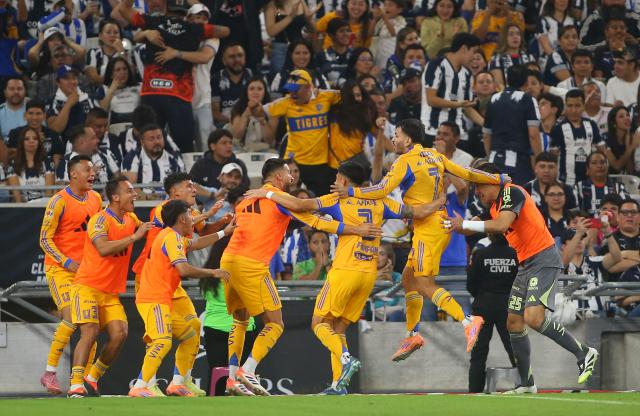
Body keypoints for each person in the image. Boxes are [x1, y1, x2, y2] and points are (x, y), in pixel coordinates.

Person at [245, 161, 444, 394]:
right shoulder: (380, 201)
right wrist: (439, 201)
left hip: (344, 271)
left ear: (345, 182)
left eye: (338, 178)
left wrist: (267, 193)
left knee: (318, 323)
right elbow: (416, 212)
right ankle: (338, 385)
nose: (335, 183)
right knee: (337, 328)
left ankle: (346, 358)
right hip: (368, 275)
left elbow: (300, 204)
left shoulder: (338, 199)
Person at [333, 118, 507, 360]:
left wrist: (351, 191)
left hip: (429, 229)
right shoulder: (434, 155)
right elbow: (465, 173)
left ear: (408, 139)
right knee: (408, 279)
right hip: (436, 225)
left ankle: (468, 321)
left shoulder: (405, 161)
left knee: (424, 284)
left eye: (397, 134)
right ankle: (412, 334)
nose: (393, 139)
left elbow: (381, 190)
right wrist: (498, 179)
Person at [220, 158, 381, 396]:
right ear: (277, 178)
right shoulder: (276, 198)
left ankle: (232, 378)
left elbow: (270, 223)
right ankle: (249, 369)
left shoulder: (246, 199)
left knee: (241, 320)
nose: (292, 178)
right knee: (275, 324)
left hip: (228, 260)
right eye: (288, 174)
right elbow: (313, 219)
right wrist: (357, 230)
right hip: (252, 264)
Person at [446, 162, 599, 393]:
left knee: (533, 318)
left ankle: (584, 353)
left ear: (493, 180)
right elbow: (473, 226)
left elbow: (501, 225)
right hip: (525, 264)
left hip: (543, 259)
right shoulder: (496, 205)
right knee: (514, 323)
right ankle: (527, 383)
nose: (477, 192)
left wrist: (465, 223)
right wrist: (449, 224)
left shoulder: (511, 192)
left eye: (479, 187)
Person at [130, 172, 232, 396]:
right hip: (153, 295)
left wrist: (224, 230)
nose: (193, 218)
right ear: (182, 218)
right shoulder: (167, 226)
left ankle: (178, 382)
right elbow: (184, 269)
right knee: (162, 341)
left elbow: (196, 243)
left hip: (165, 293)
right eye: (189, 216)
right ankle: (141, 386)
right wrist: (212, 272)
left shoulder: (175, 236)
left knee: (191, 330)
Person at [66, 176, 152, 397]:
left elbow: (151, 230)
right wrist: (134, 237)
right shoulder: (99, 220)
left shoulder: (130, 217)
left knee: (120, 333)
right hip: (86, 286)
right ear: (115, 197)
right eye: (129, 191)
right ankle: (75, 384)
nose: (135, 195)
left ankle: (92, 376)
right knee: (90, 331)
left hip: (110, 292)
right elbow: (103, 248)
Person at [115, 0, 230, 153]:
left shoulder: (153, 22)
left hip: (151, 93)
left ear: (166, 8)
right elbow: (225, 31)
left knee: (147, 146)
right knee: (184, 150)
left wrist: (146, 32)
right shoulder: (193, 29)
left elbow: (123, 8)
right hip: (178, 96)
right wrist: (197, 30)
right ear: (186, 14)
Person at [38, 155, 102, 395]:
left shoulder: (96, 198)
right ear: (73, 173)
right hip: (60, 269)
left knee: (90, 325)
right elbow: (44, 238)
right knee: (72, 316)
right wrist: (66, 261)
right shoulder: (58, 202)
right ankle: (50, 372)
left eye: (93, 170)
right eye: (87, 169)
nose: (92, 173)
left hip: (85, 271)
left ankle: (80, 378)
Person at [265, 69, 340, 196]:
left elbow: (347, 94)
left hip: (320, 164)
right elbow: (261, 111)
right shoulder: (287, 102)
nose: (292, 94)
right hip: (294, 163)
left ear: (309, 87)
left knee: (321, 201)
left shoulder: (325, 96)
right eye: (290, 89)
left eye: (296, 89)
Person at [200, 235, 258, 396]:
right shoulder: (244, 272)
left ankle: (214, 408)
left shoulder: (209, 274)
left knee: (217, 375)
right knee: (241, 377)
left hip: (214, 329)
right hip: (244, 329)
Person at [467, 233, 517, 393]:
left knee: (478, 352)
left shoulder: (480, 255)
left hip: (482, 307)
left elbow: (470, 284)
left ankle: (475, 391)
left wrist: (482, 296)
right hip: (507, 307)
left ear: (490, 235)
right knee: (515, 348)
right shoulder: (515, 255)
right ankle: (526, 385)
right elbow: (522, 281)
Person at [421, 33, 484, 147]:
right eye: (473, 52)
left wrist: (486, 125)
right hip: (434, 132)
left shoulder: (467, 74)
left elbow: (466, 107)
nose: (474, 57)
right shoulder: (436, 65)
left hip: (459, 134)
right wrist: (458, 104)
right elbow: (431, 99)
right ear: (464, 49)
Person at [483, 64, 541, 185]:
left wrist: (490, 156)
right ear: (526, 82)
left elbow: (487, 135)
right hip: (518, 163)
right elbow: (534, 135)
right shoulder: (528, 99)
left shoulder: (494, 99)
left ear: (507, 80)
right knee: (518, 200)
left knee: (498, 200)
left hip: (494, 161)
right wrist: (539, 159)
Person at [550, 89, 606, 187]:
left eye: (577, 105)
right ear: (565, 106)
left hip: (588, 181)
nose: (573, 110)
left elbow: (602, 151)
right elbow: (553, 156)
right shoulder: (558, 128)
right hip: (566, 182)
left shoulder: (592, 125)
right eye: (570, 106)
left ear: (584, 106)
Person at [122, 123, 184, 198]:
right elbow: (130, 188)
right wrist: (151, 199)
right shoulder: (131, 158)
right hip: (141, 205)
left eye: (159, 137)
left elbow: (183, 186)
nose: (157, 142)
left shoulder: (175, 158)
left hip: (170, 204)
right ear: (142, 142)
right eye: (151, 139)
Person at [328, 80, 376, 171]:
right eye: (351, 95)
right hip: (333, 167)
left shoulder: (366, 117)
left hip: (357, 166)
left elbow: (380, 136)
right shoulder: (333, 111)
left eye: (358, 95)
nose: (355, 99)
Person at [264, 0, 319, 75]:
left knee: (304, 76)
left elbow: (314, 29)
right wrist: (290, 17)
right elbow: (271, 31)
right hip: (282, 48)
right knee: (281, 78)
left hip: (300, 46)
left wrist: (309, 19)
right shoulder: (272, 5)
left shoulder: (300, 1)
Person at [5, 99, 64, 167]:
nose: (34, 117)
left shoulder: (53, 135)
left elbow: (58, 158)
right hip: (20, 171)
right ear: (25, 115)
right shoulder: (14, 134)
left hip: (46, 172)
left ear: (44, 116)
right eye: (31, 113)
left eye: (38, 113)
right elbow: (8, 156)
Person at [46, 64, 100, 138]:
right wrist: (69, 103)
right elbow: (55, 129)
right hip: (63, 145)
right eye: (67, 78)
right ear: (57, 83)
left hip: (86, 142)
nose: (72, 82)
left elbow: (98, 123)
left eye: (74, 78)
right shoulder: (51, 102)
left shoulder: (88, 98)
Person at [6, 127, 55, 203]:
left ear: (39, 142)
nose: (31, 141)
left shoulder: (47, 162)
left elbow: (49, 193)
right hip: (24, 209)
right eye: (27, 139)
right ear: (22, 142)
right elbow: (18, 198)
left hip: (44, 207)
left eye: (35, 138)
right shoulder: (13, 164)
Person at [574, 150, 629, 215]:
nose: (599, 166)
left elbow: (627, 210)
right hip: (587, 224)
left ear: (607, 166)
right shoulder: (579, 187)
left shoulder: (618, 187)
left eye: (602, 162)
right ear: (587, 168)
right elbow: (574, 214)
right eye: (594, 163)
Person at [211, 42, 253, 126]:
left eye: (240, 55)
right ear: (224, 61)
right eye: (232, 56)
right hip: (226, 124)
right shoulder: (216, 79)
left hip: (251, 122)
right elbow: (215, 112)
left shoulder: (253, 77)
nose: (237, 59)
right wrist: (236, 122)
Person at [94, 56, 140, 128]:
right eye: (118, 70)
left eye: (125, 69)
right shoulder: (103, 89)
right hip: (114, 128)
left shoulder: (139, 87)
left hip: (136, 126)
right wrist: (111, 91)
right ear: (111, 74)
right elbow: (100, 112)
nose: (122, 72)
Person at [601, 199, 640, 282]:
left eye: (633, 212)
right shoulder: (610, 239)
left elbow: (616, 265)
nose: (629, 215)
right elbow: (610, 267)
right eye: (625, 212)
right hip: (618, 291)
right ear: (618, 217)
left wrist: (623, 254)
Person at [489, 23, 535, 90]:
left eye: (518, 34)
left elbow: (534, 81)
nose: (515, 37)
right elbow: (499, 85)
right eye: (511, 34)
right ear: (504, 38)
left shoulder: (530, 58)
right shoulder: (496, 60)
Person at [84, 18, 124, 86]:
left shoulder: (125, 53)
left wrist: (121, 52)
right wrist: (117, 81)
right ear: (100, 36)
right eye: (108, 32)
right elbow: (94, 78)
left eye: (116, 32)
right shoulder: (93, 53)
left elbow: (131, 75)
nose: (112, 35)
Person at [317, 18, 353, 88]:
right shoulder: (321, 56)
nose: (346, 34)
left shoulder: (355, 55)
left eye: (348, 31)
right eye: (341, 31)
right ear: (331, 35)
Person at [603, 106, 640, 174]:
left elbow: (630, 170)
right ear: (613, 123)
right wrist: (632, 146)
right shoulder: (604, 138)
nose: (627, 118)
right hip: (609, 180)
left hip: (626, 181)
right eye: (621, 116)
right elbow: (616, 167)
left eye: (627, 115)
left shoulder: (632, 138)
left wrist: (627, 146)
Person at [372, 0, 407, 69]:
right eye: (385, 5)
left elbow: (393, 33)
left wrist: (384, 17)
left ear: (399, 10)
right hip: (380, 53)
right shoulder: (381, 21)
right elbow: (372, 33)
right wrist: (375, 19)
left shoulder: (401, 20)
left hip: (392, 50)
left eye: (390, 5)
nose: (386, 7)